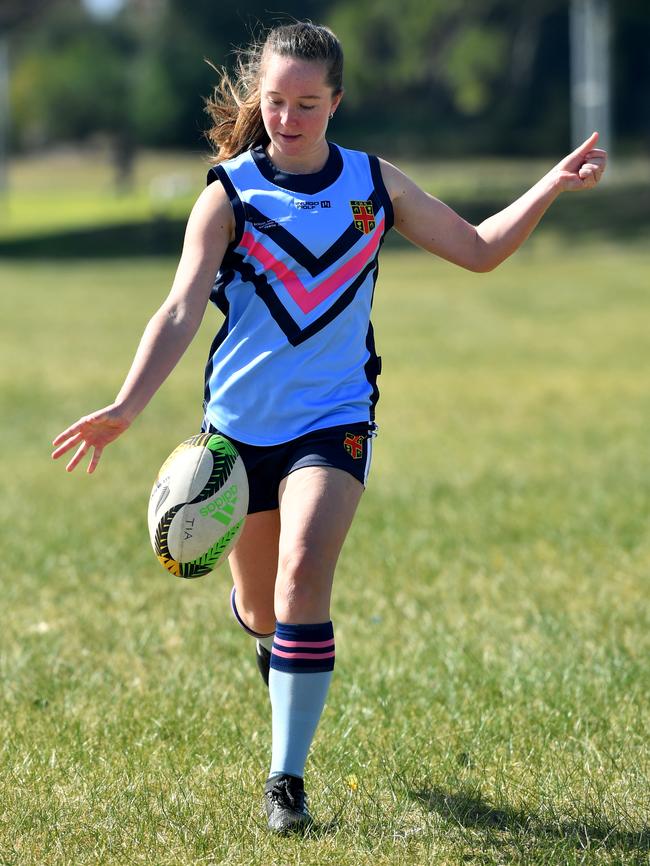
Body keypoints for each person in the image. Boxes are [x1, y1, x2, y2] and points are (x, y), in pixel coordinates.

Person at [52, 21, 607, 834]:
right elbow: (177, 310)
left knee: (305, 576)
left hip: (334, 421)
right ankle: (276, 659)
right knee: (265, 611)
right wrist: (126, 407)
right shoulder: (229, 194)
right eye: (275, 102)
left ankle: (287, 783)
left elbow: (481, 249)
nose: (288, 118)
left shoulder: (373, 184)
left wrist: (550, 185)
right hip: (236, 439)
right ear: (261, 101)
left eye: (307, 103)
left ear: (336, 102)